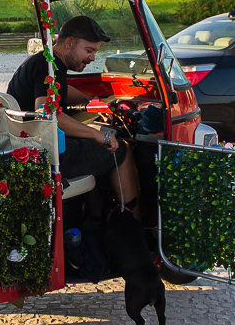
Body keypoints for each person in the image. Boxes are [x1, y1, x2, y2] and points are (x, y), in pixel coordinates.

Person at [7, 15, 139, 211]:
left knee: (93, 145)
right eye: (89, 50)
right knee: (120, 149)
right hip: (47, 154)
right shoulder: (49, 67)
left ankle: (93, 218)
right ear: (69, 43)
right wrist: (97, 134)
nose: (93, 57)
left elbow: (59, 90)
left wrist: (92, 100)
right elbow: (47, 113)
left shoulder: (44, 61)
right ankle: (131, 222)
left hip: (28, 145)